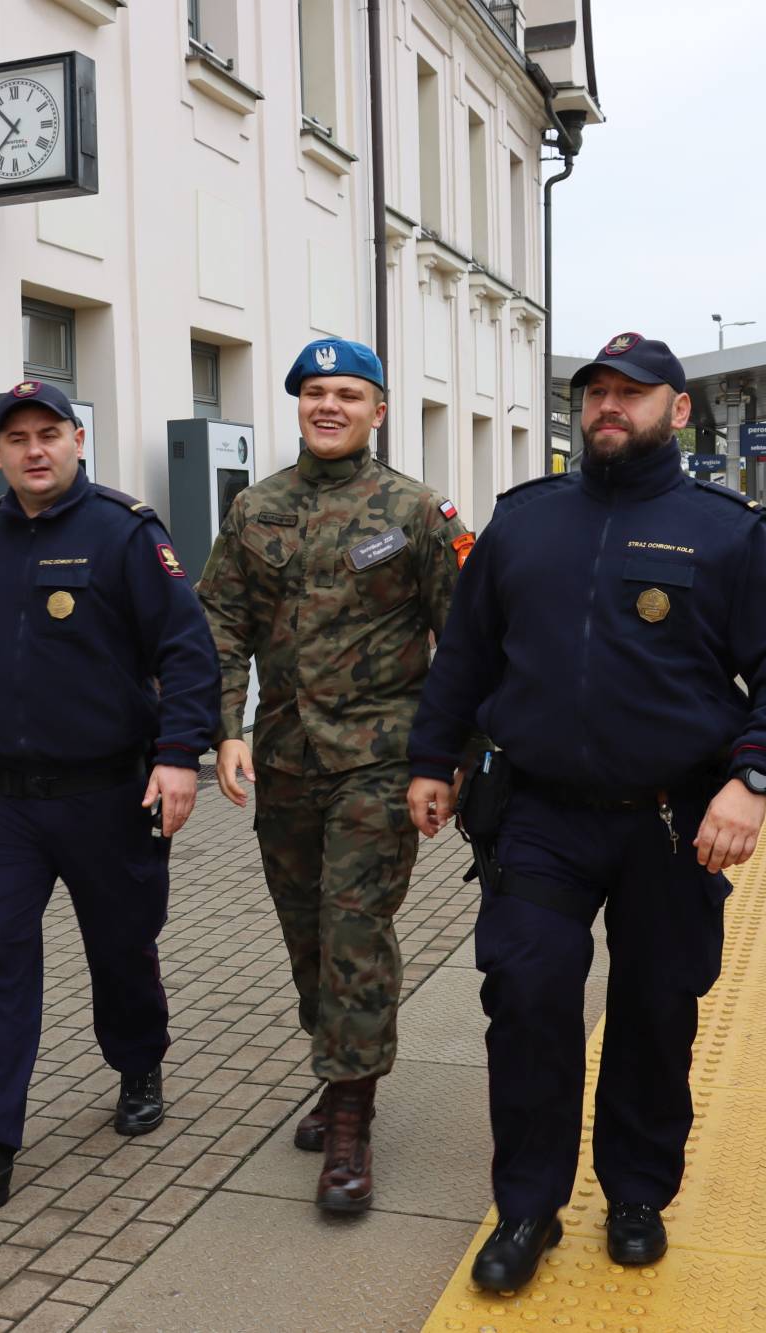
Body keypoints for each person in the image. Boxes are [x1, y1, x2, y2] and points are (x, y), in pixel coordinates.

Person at [405, 331, 766, 1291]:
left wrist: (752, 780)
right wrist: (432, 759)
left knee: (656, 1007)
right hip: (540, 817)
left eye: (631, 393)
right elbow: (465, 657)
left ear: (677, 410)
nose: (608, 405)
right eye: (595, 391)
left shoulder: (726, 532)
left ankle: (637, 1192)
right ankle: (527, 1207)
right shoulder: (524, 522)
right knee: (526, 998)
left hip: (673, 823)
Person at [0, 380, 221, 1208]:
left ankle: (138, 1060)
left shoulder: (125, 532)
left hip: (108, 793)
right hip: (6, 799)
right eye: (18, 438)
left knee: (121, 947)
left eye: (50, 433)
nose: (34, 450)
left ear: (78, 440)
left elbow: (188, 652)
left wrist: (178, 756)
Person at [198, 337, 471, 1214]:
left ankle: (351, 1120)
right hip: (284, 757)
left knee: (354, 931)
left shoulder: (418, 511)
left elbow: (466, 642)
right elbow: (221, 621)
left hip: (379, 762)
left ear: (377, 411)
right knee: (308, 938)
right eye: (315, 392)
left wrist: (445, 762)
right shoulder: (257, 508)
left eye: (348, 394)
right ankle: (339, 1074)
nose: (329, 406)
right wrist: (225, 729)